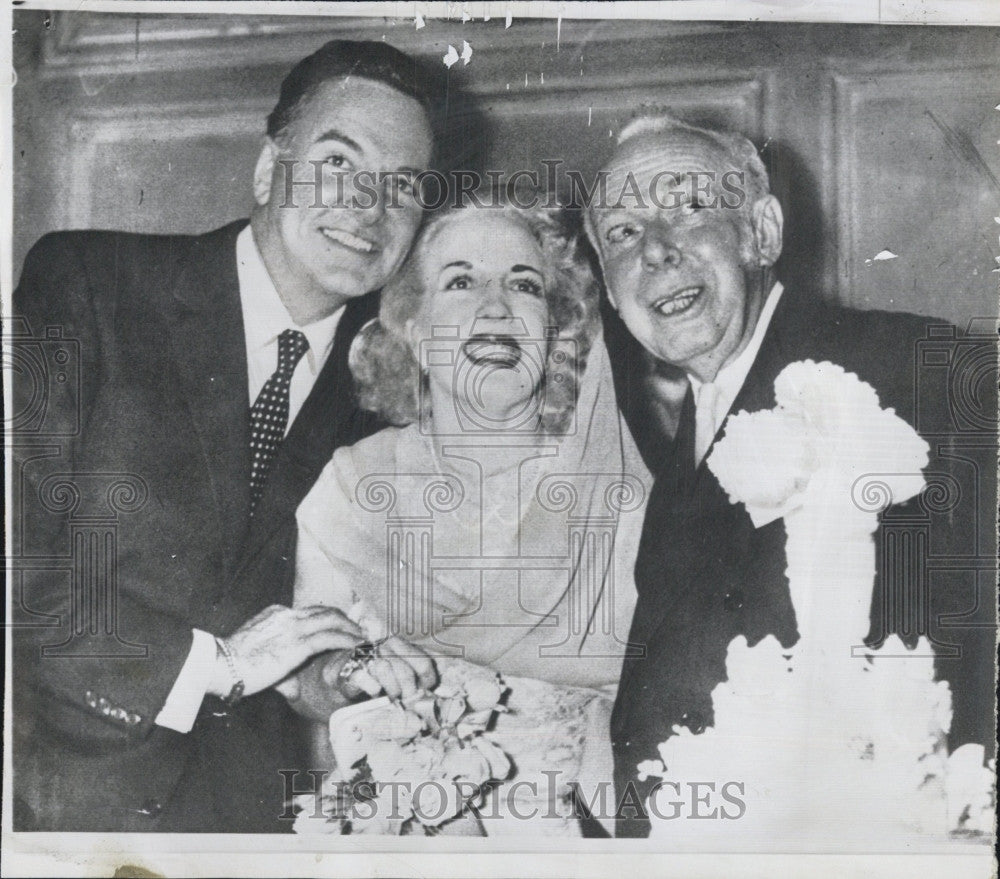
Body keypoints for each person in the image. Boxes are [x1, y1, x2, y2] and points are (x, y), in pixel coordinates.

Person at [12, 39, 443, 832]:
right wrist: (221, 666)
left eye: (404, 186)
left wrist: (322, 679)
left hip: (243, 828)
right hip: (47, 811)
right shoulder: (86, 284)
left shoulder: (388, 398)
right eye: (340, 163)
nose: (369, 206)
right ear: (265, 168)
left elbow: (279, 644)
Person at [584, 113, 997, 837]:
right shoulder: (675, 465)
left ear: (763, 233)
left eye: (687, 209)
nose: (654, 249)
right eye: (621, 233)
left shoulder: (916, 366)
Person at [292, 201, 650, 835]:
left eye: (524, 284)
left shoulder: (620, 481)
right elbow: (313, 701)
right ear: (413, 328)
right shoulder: (351, 485)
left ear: (556, 328)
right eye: (461, 281)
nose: (496, 307)